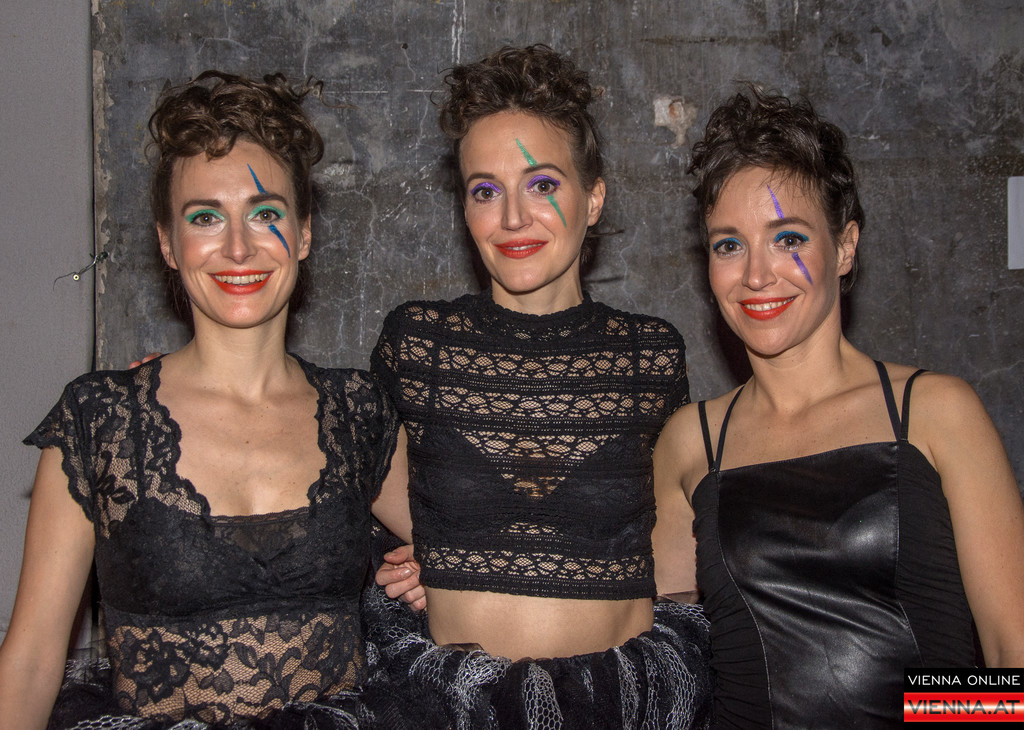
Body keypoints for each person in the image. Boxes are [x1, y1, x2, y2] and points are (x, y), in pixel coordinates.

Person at [0, 71, 413, 729]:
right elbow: (29, 663)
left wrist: (437, 571)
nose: (238, 248)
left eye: (266, 214)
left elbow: (483, 556)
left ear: (305, 233)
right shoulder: (99, 422)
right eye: (205, 217)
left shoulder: (359, 413)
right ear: (168, 242)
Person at [651, 86, 1024, 727]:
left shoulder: (935, 411)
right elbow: (664, 659)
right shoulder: (690, 440)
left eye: (787, 238)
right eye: (729, 245)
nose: (756, 276)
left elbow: (1010, 654)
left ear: (845, 246)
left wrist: (925, 714)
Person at [369, 45, 711, 729]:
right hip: (456, 712)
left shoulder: (649, 357)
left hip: (622, 709)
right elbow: (325, 462)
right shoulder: (419, 344)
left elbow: (671, 551)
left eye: (542, 184)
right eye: (485, 191)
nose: (512, 218)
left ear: (594, 198)